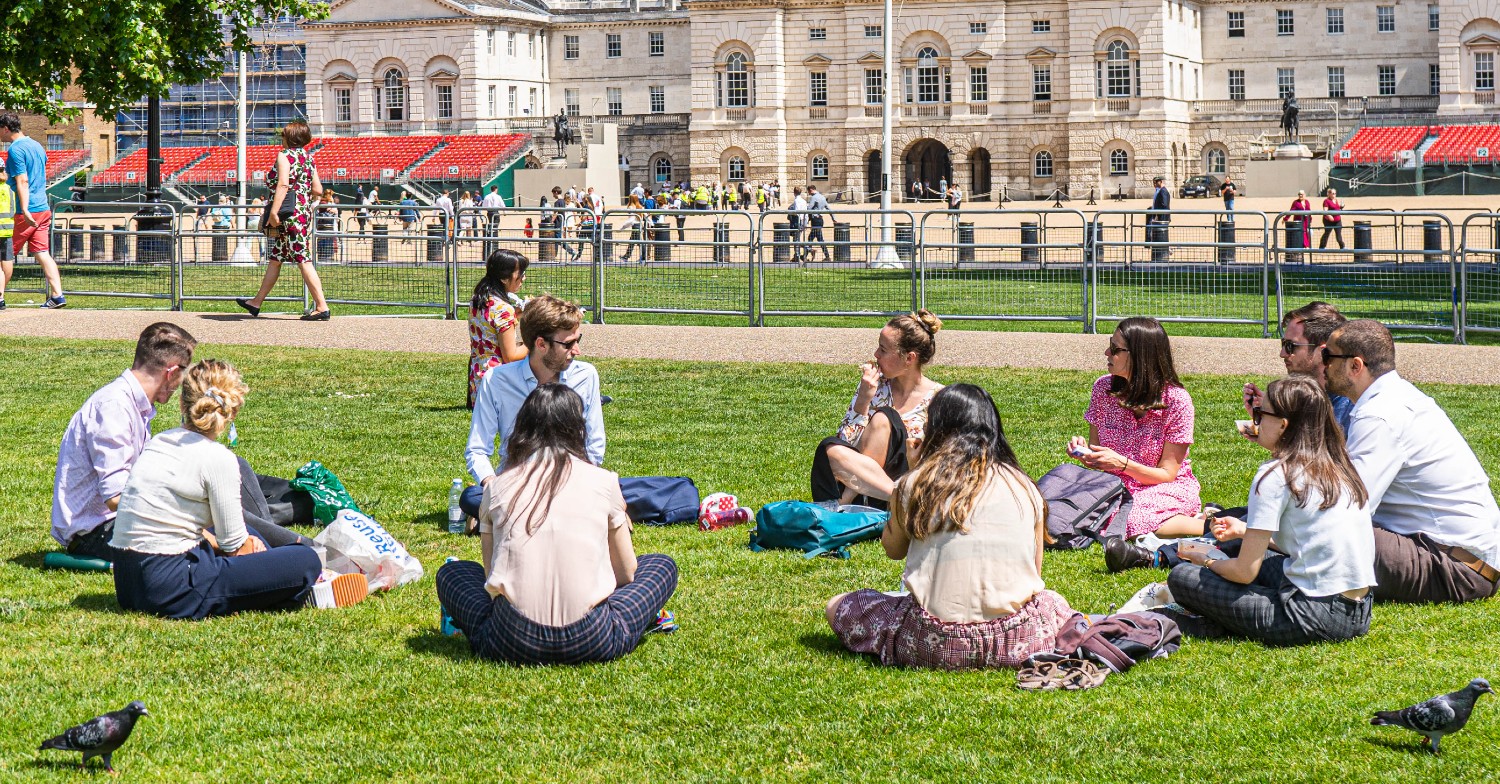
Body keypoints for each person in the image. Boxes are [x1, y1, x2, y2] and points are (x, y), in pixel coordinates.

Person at [826, 384, 1077, 670]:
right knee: (1052, 601)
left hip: (931, 643)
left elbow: (892, 549)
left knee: (838, 604)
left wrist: (913, 470)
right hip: (1018, 640)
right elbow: (1034, 575)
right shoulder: (1024, 486)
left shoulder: (918, 482)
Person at [1105, 302, 1355, 573]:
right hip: (1301, 508)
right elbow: (1303, 458)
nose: (1282, 353)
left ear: (1320, 351)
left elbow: (1323, 472)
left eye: (1291, 346)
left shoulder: (1347, 406)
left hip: (1320, 521)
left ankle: (1157, 558)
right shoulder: (1317, 397)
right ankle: (1180, 544)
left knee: (1237, 534)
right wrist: (1266, 421)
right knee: (1232, 520)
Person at [438, 384, 677, 664]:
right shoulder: (604, 481)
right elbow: (626, 573)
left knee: (453, 573)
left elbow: (491, 577)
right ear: (578, 430)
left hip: (509, 639)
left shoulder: (497, 487)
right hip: (593, 636)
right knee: (661, 566)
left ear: (522, 429)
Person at [109, 360, 354, 620]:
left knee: (252, 534)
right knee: (305, 560)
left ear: (182, 404)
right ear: (232, 413)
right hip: (172, 589)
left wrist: (251, 543)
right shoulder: (218, 458)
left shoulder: (159, 442)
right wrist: (253, 548)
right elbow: (234, 547)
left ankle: (286, 590)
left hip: (127, 583)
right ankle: (306, 587)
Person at [1162, 375, 1375, 645]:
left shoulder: (1275, 474)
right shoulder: (1339, 465)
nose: (1256, 421)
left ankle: (1218, 617)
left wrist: (1206, 561)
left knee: (1183, 577)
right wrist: (1244, 531)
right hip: (1358, 610)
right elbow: (1313, 541)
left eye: (1262, 414)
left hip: (1309, 615)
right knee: (1255, 555)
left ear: (1283, 425)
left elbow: (1244, 572)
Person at [1324, 319, 1500, 603]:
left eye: (1327, 356)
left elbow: (1349, 508)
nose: (1323, 365)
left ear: (1355, 366)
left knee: (1327, 536)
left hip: (1456, 568)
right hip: (1463, 557)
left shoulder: (1379, 414)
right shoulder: (1393, 397)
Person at [464, 294, 604, 518]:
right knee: (471, 496)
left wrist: (584, 482)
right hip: (515, 484)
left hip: (571, 480)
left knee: (623, 489)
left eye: (578, 340)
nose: (577, 351)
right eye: (568, 344)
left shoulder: (586, 376)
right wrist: (491, 485)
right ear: (541, 344)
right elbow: (477, 449)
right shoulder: (497, 380)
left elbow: (595, 444)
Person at [1071, 317, 1203, 539]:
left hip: (1161, 487)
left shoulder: (1177, 401)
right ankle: (1189, 521)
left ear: (1140, 356)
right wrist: (1087, 453)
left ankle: (1212, 527)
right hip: (1112, 485)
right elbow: (1097, 449)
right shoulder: (1103, 388)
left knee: (1130, 518)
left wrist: (1122, 464)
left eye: (1115, 349)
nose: (1106, 352)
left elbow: (1167, 474)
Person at [811, 311, 945, 508]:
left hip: (907, 483)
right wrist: (863, 400)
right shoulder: (874, 386)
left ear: (909, 358)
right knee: (829, 448)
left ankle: (844, 504)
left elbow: (938, 461)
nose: (876, 355)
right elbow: (846, 443)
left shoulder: (939, 398)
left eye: (883, 350)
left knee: (885, 417)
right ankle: (886, 499)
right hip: (872, 487)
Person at [236, 120, 332, 321]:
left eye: (283, 135)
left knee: (303, 259)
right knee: (276, 259)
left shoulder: (285, 155)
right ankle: (256, 302)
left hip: (288, 215)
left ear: (289, 137)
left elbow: (282, 185)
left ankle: (322, 306)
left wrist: (273, 213)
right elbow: (318, 190)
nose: (281, 139)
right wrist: (301, 188)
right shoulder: (308, 158)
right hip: (302, 213)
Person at [1, 111, 65, 308]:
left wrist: (25, 210)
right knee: (42, 252)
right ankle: (57, 296)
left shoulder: (16, 150)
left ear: (5, 128)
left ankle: (0, 298)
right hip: (43, 207)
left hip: (25, 211)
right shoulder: (37, 145)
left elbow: (23, 180)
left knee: (4, 256)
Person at [468, 249, 530, 409]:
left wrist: (518, 314)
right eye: (521, 273)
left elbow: (490, 328)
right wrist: (535, 342)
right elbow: (511, 356)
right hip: (499, 385)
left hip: (478, 382)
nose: (524, 278)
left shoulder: (478, 300)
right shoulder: (503, 309)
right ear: (504, 277)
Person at [805, 184, 832, 262]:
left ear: (811, 190)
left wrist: (805, 209)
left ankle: (827, 257)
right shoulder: (823, 197)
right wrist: (833, 218)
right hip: (820, 220)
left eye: (808, 192)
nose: (809, 193)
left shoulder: (814, 197)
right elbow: (828, 208)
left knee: (818, 239)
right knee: (812, 238)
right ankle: (806, 256)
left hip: (815, 220)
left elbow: (809, 208)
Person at [616, 195, 647, 263]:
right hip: (639, 225)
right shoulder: (640, 206)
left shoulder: (631, 207)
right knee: (632, 242)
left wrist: (622, 227)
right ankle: (627, 256)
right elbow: (646, 215)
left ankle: (644, 256)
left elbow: (631, 219)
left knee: (639, 242)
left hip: (635, 226)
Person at [1148, 176, 1171, 261]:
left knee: (1161, 235)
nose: (1154, 184)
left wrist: (1157, 214)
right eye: (1153, 183)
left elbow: (1164, 205)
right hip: (1159, 216)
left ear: (1160, 182)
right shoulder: (1159, 191)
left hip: (1162, 217)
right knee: (1158, 235)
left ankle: (1166, 250)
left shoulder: (1163, 191)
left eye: (1156, 182)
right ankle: (1166, 249)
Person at [0, 170, 13, 310]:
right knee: (7, 262)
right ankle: (2, 296)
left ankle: (0, 296)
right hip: (7, 230)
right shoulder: (9, 190)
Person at [788, 186, 808, 263]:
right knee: (798, 238)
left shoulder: (796, 201)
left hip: (797, 221)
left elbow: (796, 211)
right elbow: (806, 214)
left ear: (794, 193)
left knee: (796, 240)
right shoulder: (804, 201)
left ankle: (797, 255)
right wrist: (805, 223)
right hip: (803, 221)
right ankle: (797, 255)